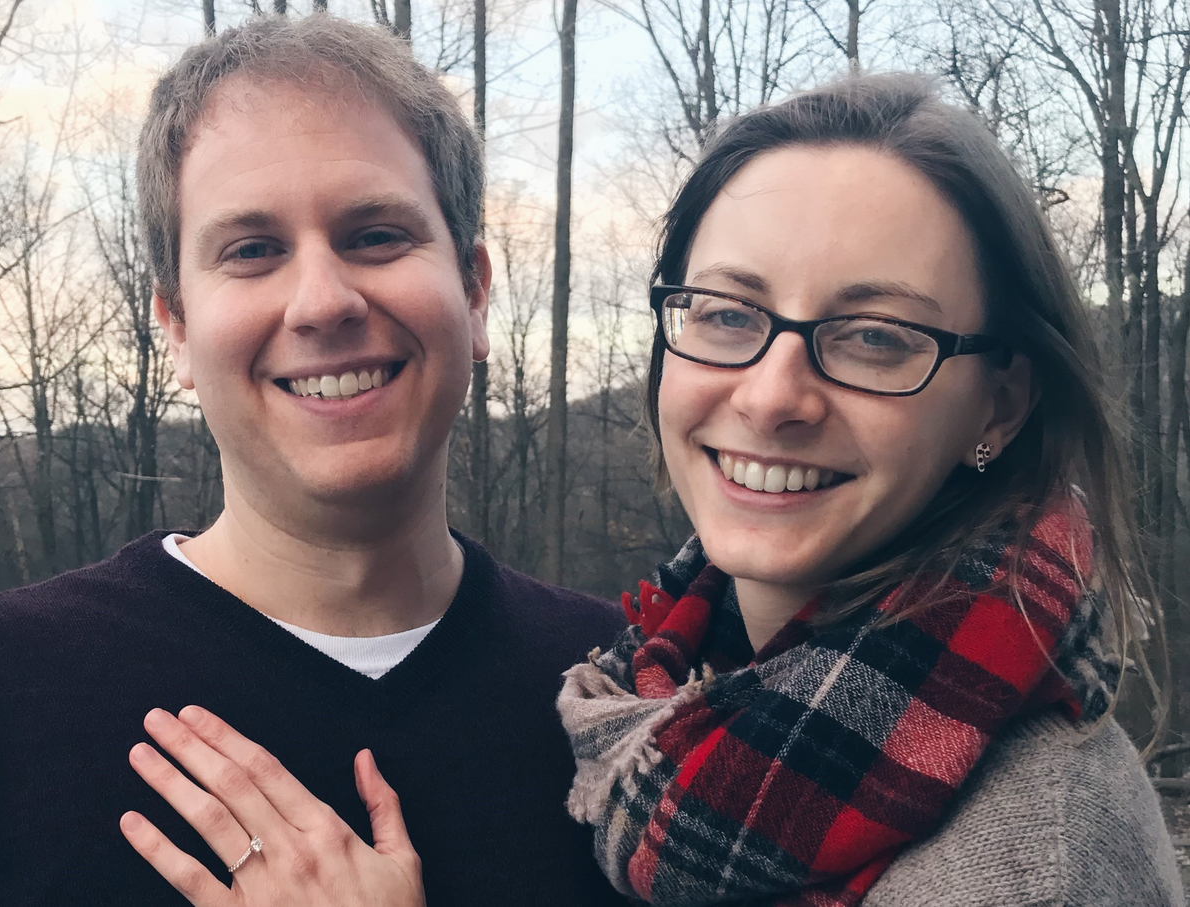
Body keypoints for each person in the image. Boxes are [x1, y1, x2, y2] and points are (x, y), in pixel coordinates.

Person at [116, 74, 1182, 907]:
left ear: (997, 405)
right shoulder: (643, 711)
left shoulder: (1039, 849)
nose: (770, 396)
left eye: (872, 337)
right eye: (726, 313)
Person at [0, 16, 629, 907]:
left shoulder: (637, 706)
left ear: (474, 291)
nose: (322, 301)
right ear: (177, 328)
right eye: (253, 250)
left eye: (376, 234)